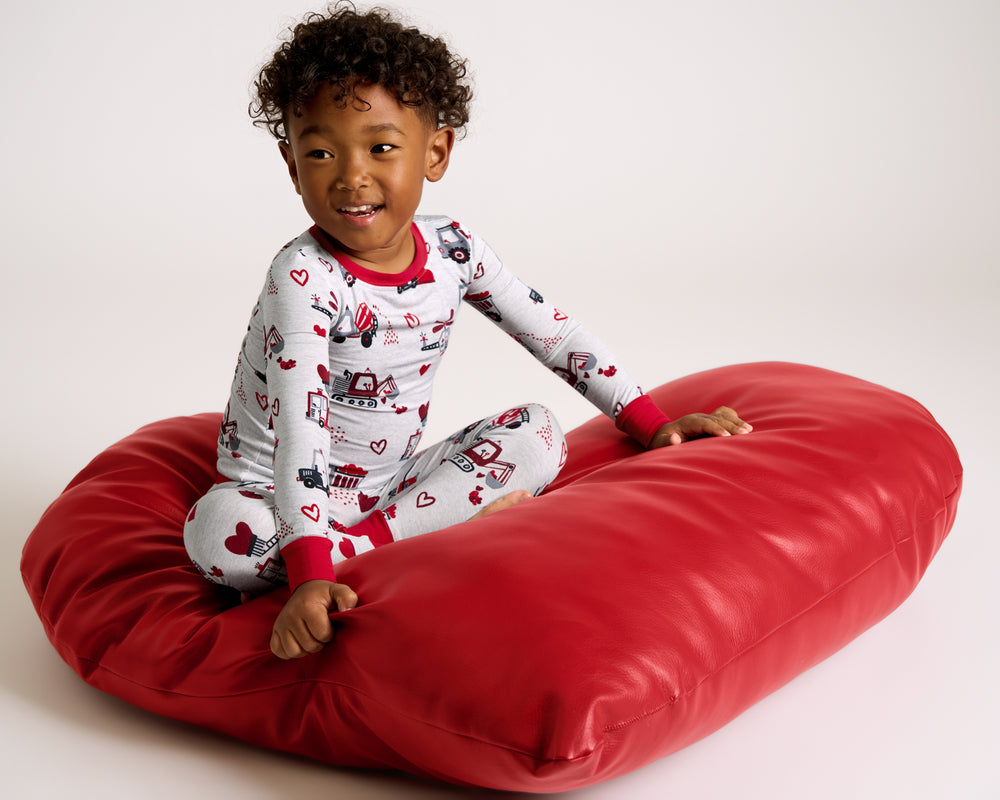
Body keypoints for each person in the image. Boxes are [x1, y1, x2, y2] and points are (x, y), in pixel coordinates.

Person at [183, 2, 751, 660]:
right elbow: (301, 433)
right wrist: (309, 577)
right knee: (214, 531)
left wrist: (652, 424)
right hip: (272, 495)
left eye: (381, 148)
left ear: (436, 151)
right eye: (320, 152)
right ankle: (399, 548)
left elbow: (556, 335)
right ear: (291, 165)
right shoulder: (303, 277)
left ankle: (363, 551)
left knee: (540, 432)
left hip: (389, 487)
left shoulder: (454, 249)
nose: (351, 176)